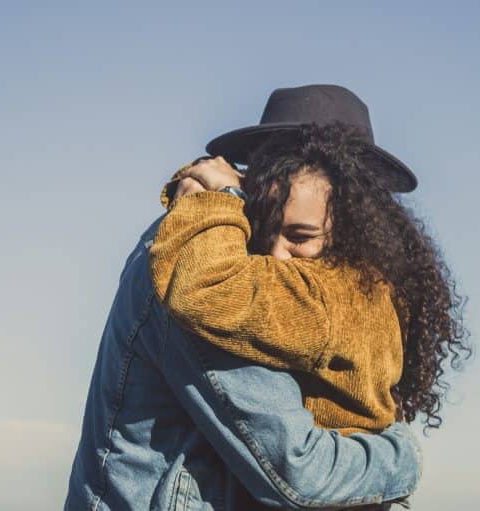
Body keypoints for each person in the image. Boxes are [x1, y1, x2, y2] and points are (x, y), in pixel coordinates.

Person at [64, 85, 425, 511]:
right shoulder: (203, 264)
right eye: (267, 224)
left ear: (356, 226)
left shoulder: (336, 297)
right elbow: (298, 472)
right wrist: (403, 456)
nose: (275, 253)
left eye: (300, 236)